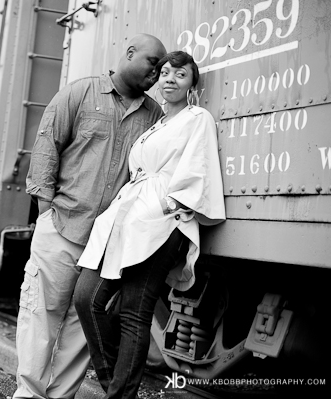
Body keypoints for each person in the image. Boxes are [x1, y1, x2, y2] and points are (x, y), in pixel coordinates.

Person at [13, 34, 167, 399]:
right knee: (40, 316)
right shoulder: (80, 93)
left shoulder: (154, 116)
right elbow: (47, 145)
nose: (157, 73)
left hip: (107, 243)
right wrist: (46, 209)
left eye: (162, 68)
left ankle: (60, 397)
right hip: (62, 224)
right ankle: (28, 395)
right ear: (129, 53)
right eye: (152, 62)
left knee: (79, 329)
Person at [73, 51, 226, 399]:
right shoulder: (156, 125)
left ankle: (119, 395)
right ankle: (116, 386)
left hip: (162, 223)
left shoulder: (196, 118)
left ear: (192, 84)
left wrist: (169, 204)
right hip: (128, 218)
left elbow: (198, 166)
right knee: (87, 298)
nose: (170, 78)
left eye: (181, 74)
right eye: (166, 72)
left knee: (133, 312)